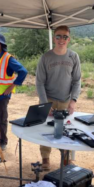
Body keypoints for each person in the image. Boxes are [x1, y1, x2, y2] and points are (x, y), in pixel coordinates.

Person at [36, 25, 81, 170]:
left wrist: (73, 100)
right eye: (58, 36)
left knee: (65, 131)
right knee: (45, 130)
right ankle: (45, 159)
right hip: (48, 99)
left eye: (65, 37)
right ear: (54, 38)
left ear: (69, 39)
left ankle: (66, 160)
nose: (61, 39)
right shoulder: (46, 57)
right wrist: (44, 103)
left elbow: (77, 81)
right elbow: (40, 82)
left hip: (65, 101)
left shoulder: (73, 56)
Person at [0, 33, 28, 150]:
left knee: (2, 120)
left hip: (2, 95)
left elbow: (23, 72)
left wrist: (12, 86)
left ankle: (3, 142)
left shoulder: (8, 59)